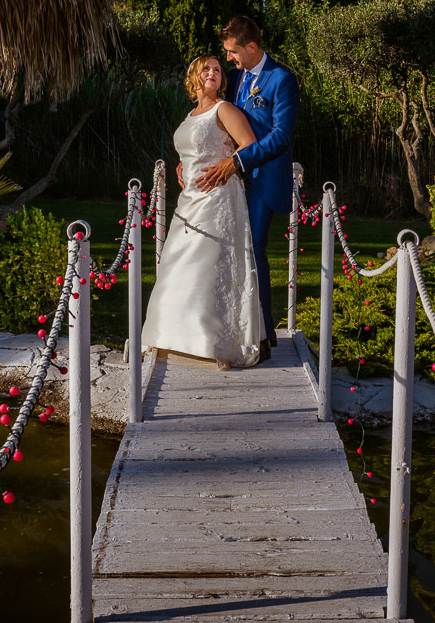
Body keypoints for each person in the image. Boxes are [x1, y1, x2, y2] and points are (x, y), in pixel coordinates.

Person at [141, 55, 264, 370]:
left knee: (211, 265)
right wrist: (183, 164)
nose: (213, 73)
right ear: (193, 78)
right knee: (178, 262)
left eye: (218, 70)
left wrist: (225, 164)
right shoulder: (191, 113)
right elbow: (194, 145)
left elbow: (249, 145)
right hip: (189, 198)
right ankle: (171, 335)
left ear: (222, 80)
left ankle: (213, 341)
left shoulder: (225, 109)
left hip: (218, 195)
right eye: (206, 69)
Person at [195, 16, 300, 361]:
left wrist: (237, 163)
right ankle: (235, 329)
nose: (229, 59)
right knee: (230, 253)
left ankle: (264, 336)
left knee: (252, 251)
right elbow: (216, 119)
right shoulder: (237, 78)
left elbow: (281, 137)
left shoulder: (282, 80)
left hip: (262, 179)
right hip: (230, 186)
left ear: (252, 47)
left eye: (233, 51)